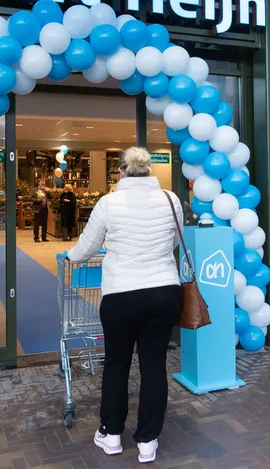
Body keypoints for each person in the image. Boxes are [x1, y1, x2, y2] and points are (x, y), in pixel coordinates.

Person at [67, 147, 183, 464]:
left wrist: (71, 256)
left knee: (117, 365)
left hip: (121, 294)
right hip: (163, 291)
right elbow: (175, 239)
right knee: (154, 366)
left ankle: (111, 434)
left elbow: (87, 247)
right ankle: (148, 441)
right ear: (149, 170)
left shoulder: (109, 203)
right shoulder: (171, 200)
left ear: (120, 172)